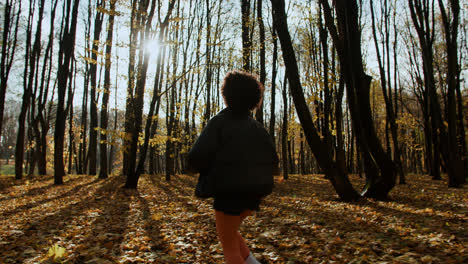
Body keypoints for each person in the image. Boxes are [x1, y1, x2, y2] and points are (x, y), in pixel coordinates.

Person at [188, 70, 279, 264]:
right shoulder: (258, 129)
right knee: (230, 234)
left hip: (228, 193)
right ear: (254, 99)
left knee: (229, 246)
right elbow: (273, 161)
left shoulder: (219, 122)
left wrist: (207, 170)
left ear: (226, 94)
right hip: (254, 195)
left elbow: (196, 156)